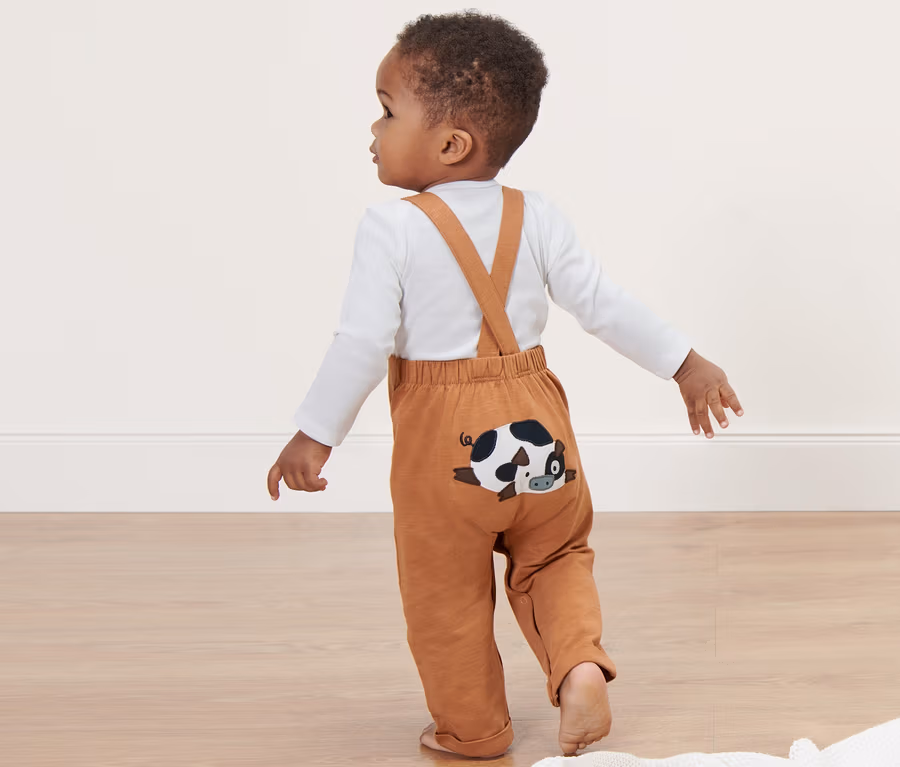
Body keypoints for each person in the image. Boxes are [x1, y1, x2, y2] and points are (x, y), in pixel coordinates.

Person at [267, 10, 743, 759]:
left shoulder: (391, 228)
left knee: (446, 593)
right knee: (555, 556)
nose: (373, 128)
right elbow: (603, 303)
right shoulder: (536, 214)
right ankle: (578, 663)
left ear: (452, 143)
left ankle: (475, 731)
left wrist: (314, 434)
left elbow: (361, 342)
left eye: (387, 111)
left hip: (445, 450)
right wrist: (685, 363)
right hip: (538, 426)